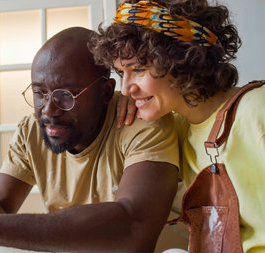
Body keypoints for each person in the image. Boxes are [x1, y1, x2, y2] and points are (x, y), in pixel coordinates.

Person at [0, 26, 180, 253]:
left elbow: (132, 228)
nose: (48, 110)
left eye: (65, 96)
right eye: (39, 93)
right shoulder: (33, 130)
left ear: (106, 92)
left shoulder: (142, 123)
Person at [89, 0, 265, 252]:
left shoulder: (257, 113)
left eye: (138, 69)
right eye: (120, 73)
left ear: (182, 59)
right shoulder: (173, 129)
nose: (126, 88)